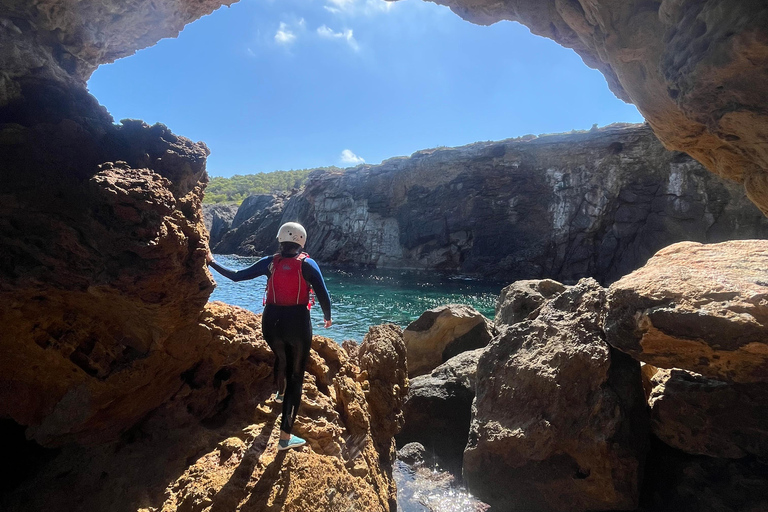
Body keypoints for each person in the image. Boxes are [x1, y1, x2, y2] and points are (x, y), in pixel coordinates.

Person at [206, 222, 332, 451]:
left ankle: (279, 395)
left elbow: (236, 276)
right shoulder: (308, 264)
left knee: (281, 357)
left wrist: (211, 261)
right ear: (301, 241)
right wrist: (327, 316)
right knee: (296, 377)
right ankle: (285, 437)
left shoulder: (269, 262)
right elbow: (323, 293)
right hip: (297, 323)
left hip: (270, 322)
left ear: (280, 239)